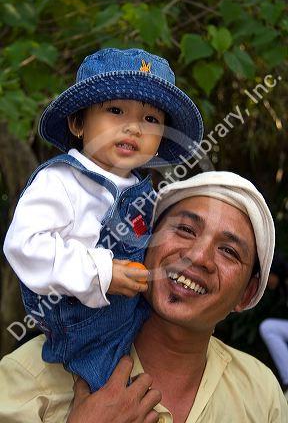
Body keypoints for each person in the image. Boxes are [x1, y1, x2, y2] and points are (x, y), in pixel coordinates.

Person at [1, 171, 287, 422]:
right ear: (145, 244)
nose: (198, 257)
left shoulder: (261, 393)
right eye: (186, 230)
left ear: (247, 294)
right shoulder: (31, 376)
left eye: (229, 251)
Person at [2, 48, 203, 392]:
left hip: (133, 318)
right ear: (78, 123)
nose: (133, 127)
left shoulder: (143, 191)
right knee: (115, 396)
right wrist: (101, 272)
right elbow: (24, 245)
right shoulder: (63, 181)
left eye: (150, 120)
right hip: (83, 331)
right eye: (115, 110)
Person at [259, 253, 288, 400]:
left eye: (267, 274)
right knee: (268, 327)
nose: (265, 280)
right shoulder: (282, 289)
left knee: (268, 327)